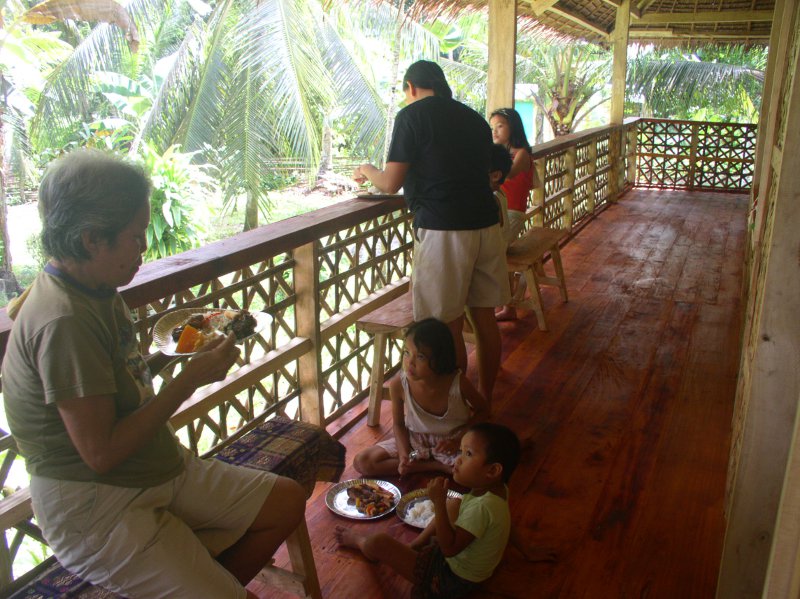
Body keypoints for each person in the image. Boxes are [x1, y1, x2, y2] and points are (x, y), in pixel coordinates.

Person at [1, 149, 306, 599]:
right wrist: (188, 380)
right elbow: (100, 453)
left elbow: (112, 381)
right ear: (90, 239)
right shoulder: (62, 320)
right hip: (98, 507)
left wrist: (173, 356)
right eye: (136, 236)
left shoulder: (94, 286)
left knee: (286, 502)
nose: (145, 247)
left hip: (155, 468)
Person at [353, 60, 510, 402]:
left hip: (444, 229)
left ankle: (458, 407)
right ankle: (483, 397)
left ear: (411, 87)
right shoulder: (474, 119)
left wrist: (366, 169)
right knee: (484, 320)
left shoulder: (411, 116)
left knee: (446, 325)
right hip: (485, 222)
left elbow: (391, 183)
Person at [337, 422, 521, 598]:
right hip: (474, 572)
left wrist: (439, 504)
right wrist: (528, 550)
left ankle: (360, 543)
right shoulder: (499, 491)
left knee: (379, 542)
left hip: (451, 580)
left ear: (493, 471)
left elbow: (449, 549)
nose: (458, 459)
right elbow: (504, 523)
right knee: (454, 504)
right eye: (461, 451)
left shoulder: (481, 508)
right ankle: (416, 545)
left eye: (469, 454)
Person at [353, 318, 490, 477]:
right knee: (362, 461)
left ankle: (433, 465)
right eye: (406, 352)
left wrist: (458, 440)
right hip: (416, 441)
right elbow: (398, 425)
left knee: (474, 472)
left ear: (440, 359)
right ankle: (434, 466)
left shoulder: (457, 383)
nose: (410, 362)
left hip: (452, 444)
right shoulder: (399, 384)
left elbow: (483, 411)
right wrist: (404, 454)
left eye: (421, 357)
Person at [490, 107, 536, 321]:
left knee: (492, 250)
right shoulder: (499, 153)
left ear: (513, 127)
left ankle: (495, 303)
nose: (495, 131)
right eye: (492, 127)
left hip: (514, 214)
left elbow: (508, 175)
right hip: (499, 213)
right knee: (493, 249)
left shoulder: (521, 153)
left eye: (500, 126)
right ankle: (507, 305)